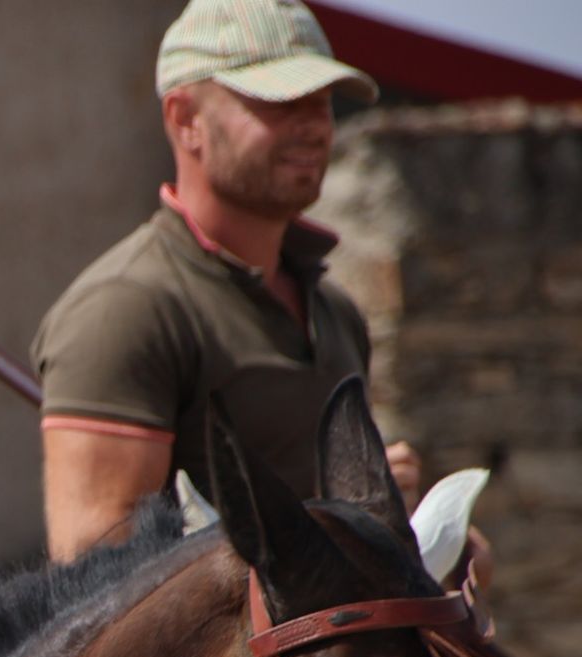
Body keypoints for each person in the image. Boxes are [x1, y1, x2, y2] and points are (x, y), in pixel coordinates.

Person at [32, 0, 420, 563]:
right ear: (186, 119)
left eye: (322, 101)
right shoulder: (125, 310)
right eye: (279, 101)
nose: (313, 124)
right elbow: (97, 584)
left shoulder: (335, 311)